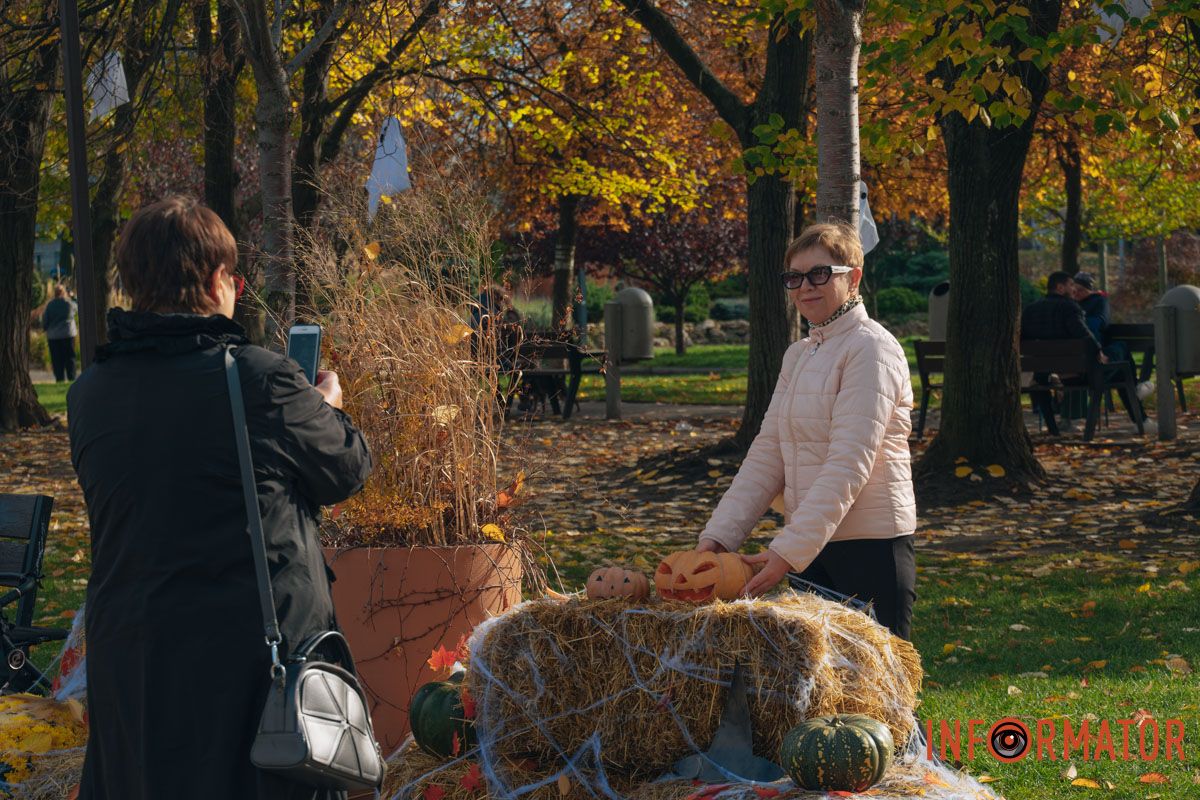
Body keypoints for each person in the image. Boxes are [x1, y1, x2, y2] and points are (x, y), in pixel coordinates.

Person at [67, 197, 372, 800]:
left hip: (134, 654)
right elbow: (348, 468)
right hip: (248, 667)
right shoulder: (258, 379)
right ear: (216, 281)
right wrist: (325, 406)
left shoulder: (89, 392)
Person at [695, 222, 917, 640]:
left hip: (868, 545)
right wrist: (719, 538)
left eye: (820, 274)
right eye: (794, 278)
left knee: (878, 694)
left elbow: (849, 462)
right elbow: (768, 453)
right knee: (815, 691)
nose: (805, 287)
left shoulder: (872, 349)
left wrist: (785, 553)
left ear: (853, 277)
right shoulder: (798, 355)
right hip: (809, 547)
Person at [41, 284, 78, 382]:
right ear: (64, 293)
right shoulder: (69, 303)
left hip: (54, 336)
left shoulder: (50, 305)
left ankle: (59, 378)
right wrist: (73, 296)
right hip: (68, 334)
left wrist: (44, 328)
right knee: (70, 357)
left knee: (57, 359)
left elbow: (45, 320)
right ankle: (71, 377)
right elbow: (77, 306)